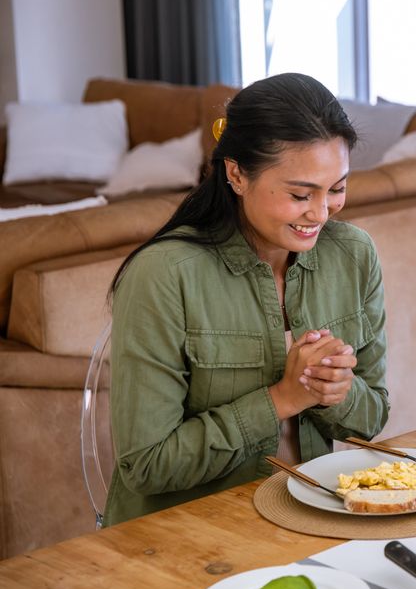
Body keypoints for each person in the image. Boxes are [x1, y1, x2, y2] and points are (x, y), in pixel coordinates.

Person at [104, 73, 390, 525]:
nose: (320, 213)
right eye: (300, 194)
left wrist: (339, 392)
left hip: (311, 517)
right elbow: (145, 465)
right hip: (182, 536)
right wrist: (282, 399)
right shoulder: (163, 275)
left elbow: (372, 416)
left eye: (336, 188)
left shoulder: (353, 255)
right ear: (236, 173)